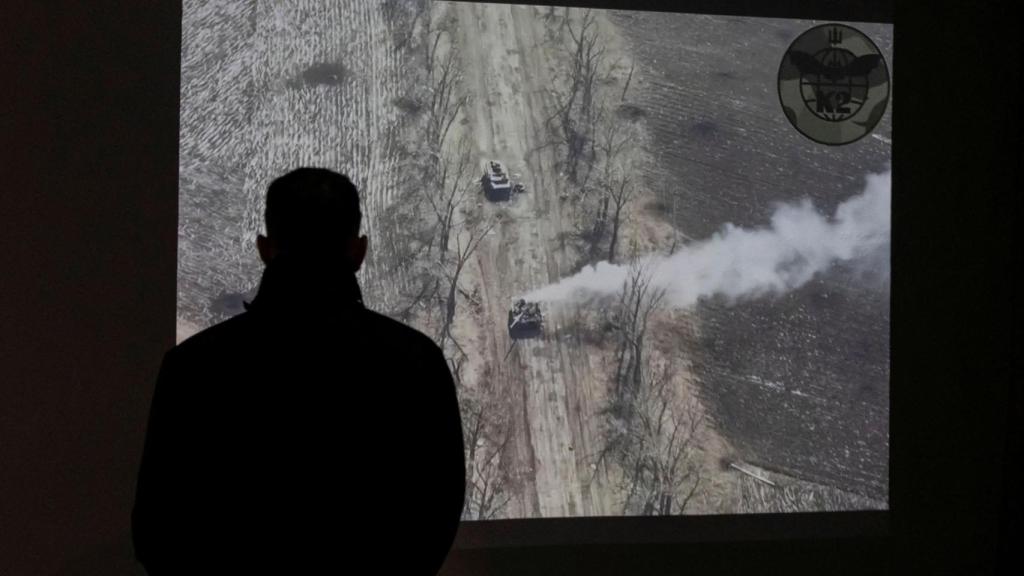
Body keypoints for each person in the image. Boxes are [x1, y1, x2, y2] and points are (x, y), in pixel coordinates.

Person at [132, 168, 466, 574]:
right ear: (359, 251)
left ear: (265, 248)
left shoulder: (193, 365)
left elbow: (157, 529)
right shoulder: (416, 362)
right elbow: (434, 517)